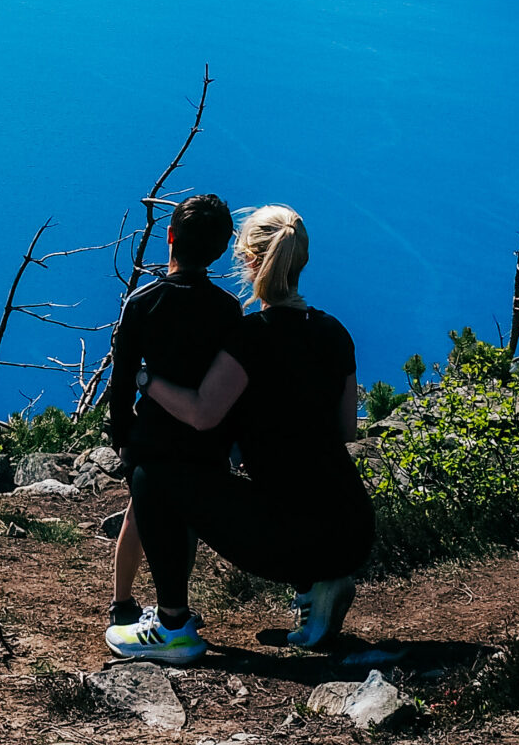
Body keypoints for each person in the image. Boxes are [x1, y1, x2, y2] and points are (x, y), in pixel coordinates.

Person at [104, 204, 375, 664]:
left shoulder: (250, 337)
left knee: (153, 476)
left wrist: (145, 381)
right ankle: (319, 585)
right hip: (352, 528)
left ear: (248, 259)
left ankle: (172, 626)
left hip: (293, 535)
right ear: (300, 260)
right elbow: (347, 428)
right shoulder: (334, 332)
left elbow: (202, 414)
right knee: (298, 514)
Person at [101, 193, 241, 650]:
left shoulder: (143, 303)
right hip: (204, 440)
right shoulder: (227, 310)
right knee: (185, 522)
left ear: (169, 237)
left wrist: (122, 439)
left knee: (140, 515)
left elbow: (122, 382)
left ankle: (131, 606)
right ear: (220, 251)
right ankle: (168, 605)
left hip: (153, 438)